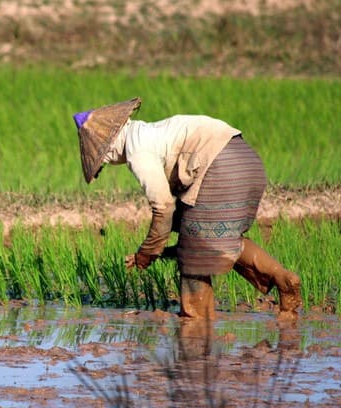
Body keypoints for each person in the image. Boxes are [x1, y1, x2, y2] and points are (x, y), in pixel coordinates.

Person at [73, 97, 302, 321]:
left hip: (220, 167)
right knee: (215, 237)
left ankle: (195, 320)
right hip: (246, 160)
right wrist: (162, 251)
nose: (107, 163)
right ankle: (283, 279)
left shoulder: (137, 150)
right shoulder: (151, 132)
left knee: (194, 251)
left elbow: (163, 207)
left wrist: (148, 251)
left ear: (108, 148)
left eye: (103, 161)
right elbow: (178, 216)